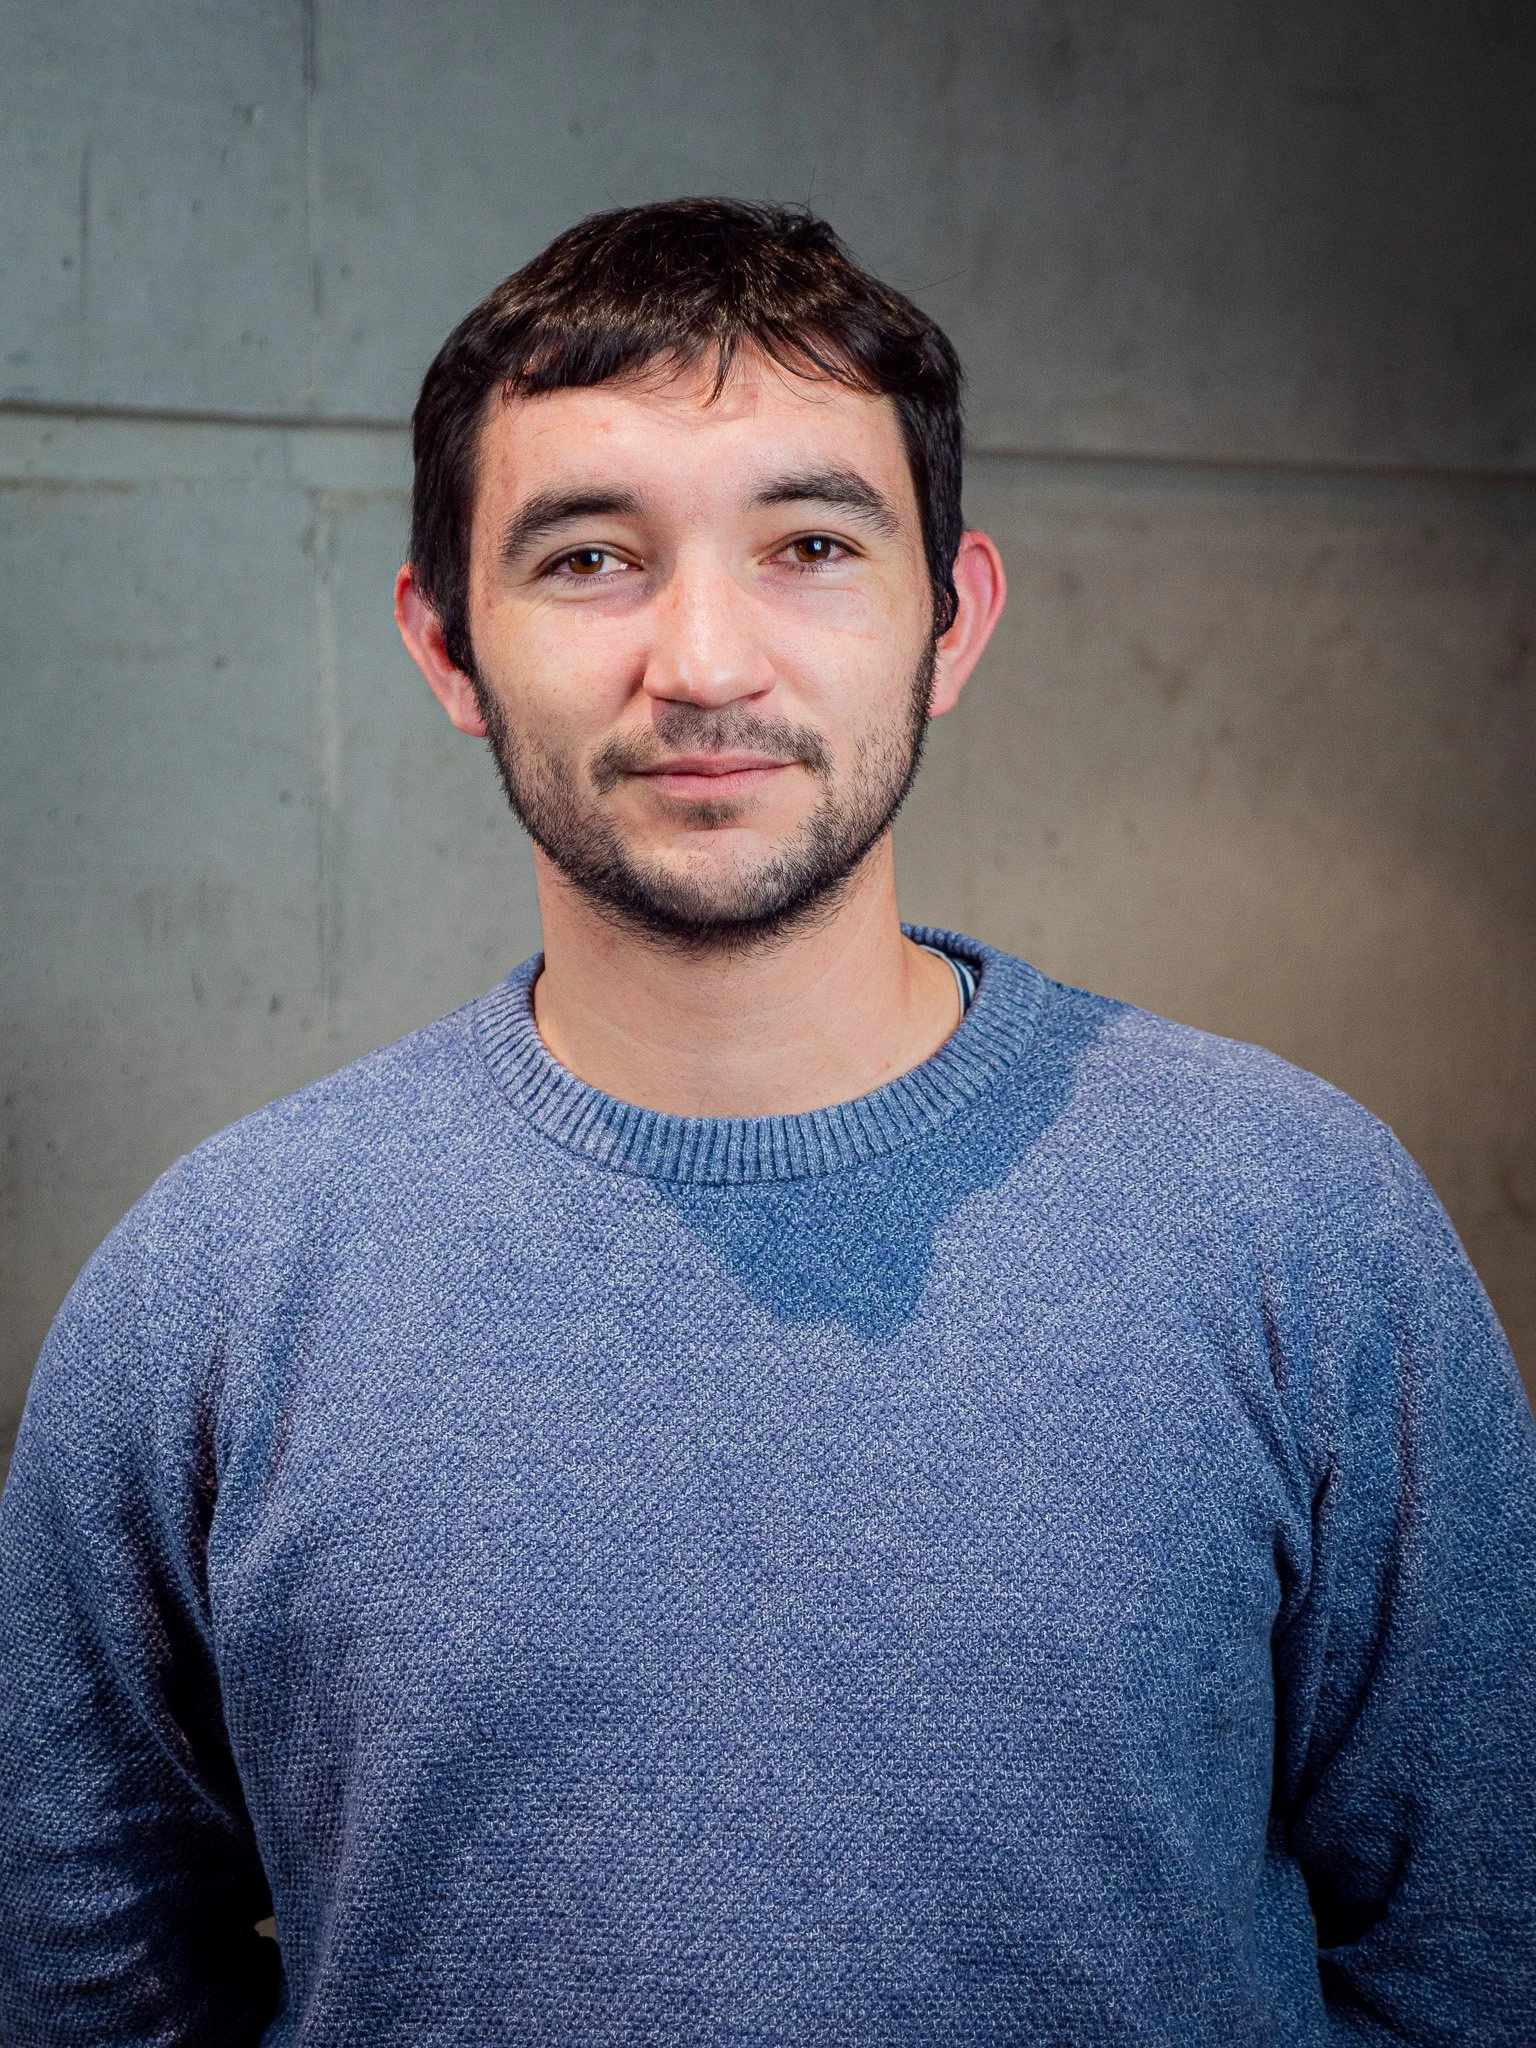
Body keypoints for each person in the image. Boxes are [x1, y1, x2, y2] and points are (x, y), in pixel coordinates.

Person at [1, 198, 1532, 2047]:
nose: (707, 661)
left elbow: (1481, 1948)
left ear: (950, 621)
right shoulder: (216, 1290)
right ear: (444, 644)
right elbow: (76, 1971)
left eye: (810, 543)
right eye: (587, 560)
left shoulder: (1297, 1220)